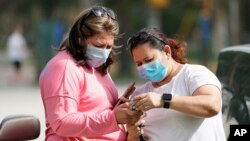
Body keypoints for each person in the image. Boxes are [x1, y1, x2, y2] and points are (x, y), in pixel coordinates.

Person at [39, 6, 142, 141]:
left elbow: (95, 109)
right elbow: (62, 122)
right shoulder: (64, 67)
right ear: (80, 39)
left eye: (108, 47)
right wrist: (113, 118)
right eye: (99, 46)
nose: (104, 52)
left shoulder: (97, 66)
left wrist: (121, 110)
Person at [126, 28, 226, 141]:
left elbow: (212, 106)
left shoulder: (194, 74)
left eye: (149, 60)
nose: (144, 67)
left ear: (167, 52)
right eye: (139, 63)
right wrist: (133, 134)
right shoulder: (140, 94)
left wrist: (163, 100)